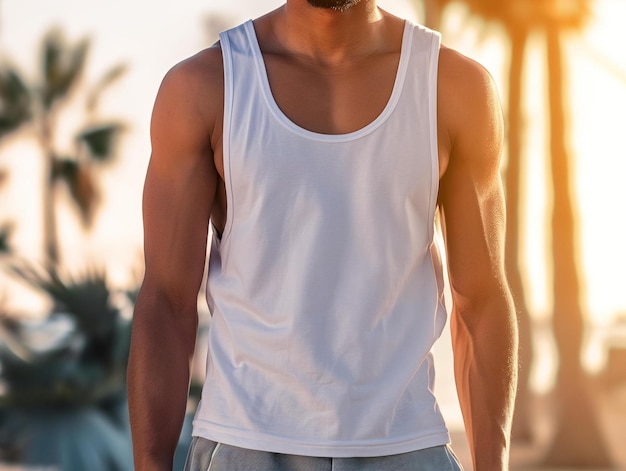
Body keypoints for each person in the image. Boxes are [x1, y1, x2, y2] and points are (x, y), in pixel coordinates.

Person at [127, 0, 519, 470]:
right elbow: (167, 301)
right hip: (244, 444)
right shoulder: (205, 87)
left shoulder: (453, 87)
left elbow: (481, 299)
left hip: (405, 447)